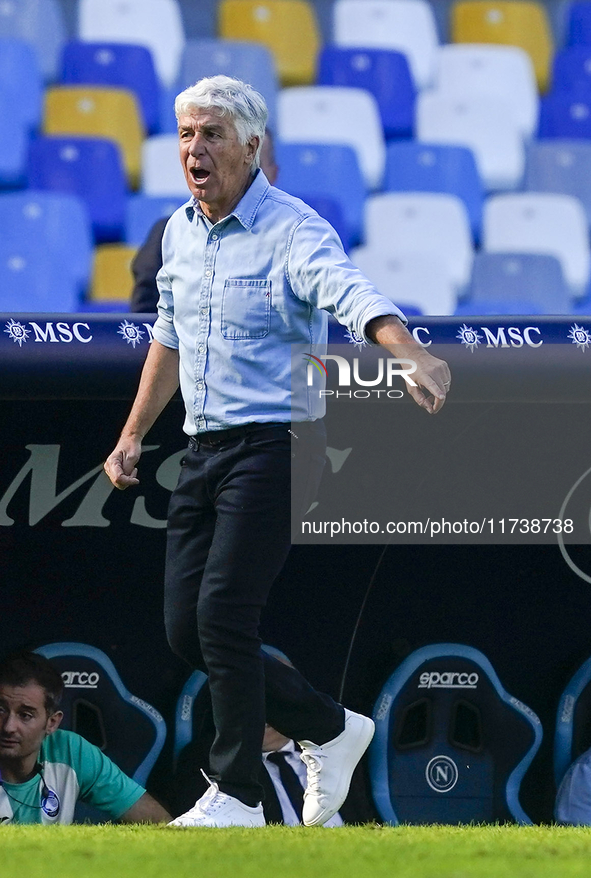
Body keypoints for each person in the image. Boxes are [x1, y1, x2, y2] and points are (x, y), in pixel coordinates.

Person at [103, 75, 451, 829]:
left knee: (224, 613)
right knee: (184, 630)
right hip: (203, 447)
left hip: (280, 441)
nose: (195, 149)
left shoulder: (294, 227)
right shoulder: (178, 231)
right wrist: (132, 433)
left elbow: (350, 292)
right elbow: (166, 337)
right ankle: (329, 724)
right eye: (187, 135)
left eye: (212, 135)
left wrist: (407, 350)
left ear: (253, 147)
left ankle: (237, 793)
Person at [0, 651, 170, 825]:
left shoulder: (71, 752)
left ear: (51, 723)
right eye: (1, 710)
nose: (8, 727)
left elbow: (160, 823)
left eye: (25, 715)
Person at [129, 128, 279, 313]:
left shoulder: (291, 236)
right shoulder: (168, 233)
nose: (240, 171)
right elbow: (145, 321)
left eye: (253, 163)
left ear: (273, 174)